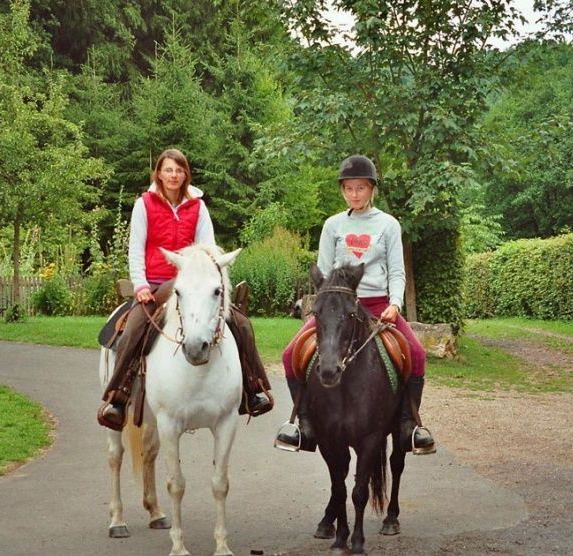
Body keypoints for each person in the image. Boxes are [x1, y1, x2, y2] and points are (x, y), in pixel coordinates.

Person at [98, 148, 273, 430]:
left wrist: (211, 283)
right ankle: (117, 396)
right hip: (156, 284)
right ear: (159, 173)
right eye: (168, 170)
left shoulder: (198, 207)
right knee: (133, 327)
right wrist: (141, 285)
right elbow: (135, 248)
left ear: (185, 174)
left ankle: (254, 388)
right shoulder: (144, 204)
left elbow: (209, 250)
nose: (174, 175)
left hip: (193, 284)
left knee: (240, 323)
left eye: (179, 170)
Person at [275, 154, 435, 455]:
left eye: (360, 188)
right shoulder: (332, 225)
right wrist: (325, 308)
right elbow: (322, 275)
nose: (355, 194)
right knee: (288, 355)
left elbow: (397, 271)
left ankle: (409, 425)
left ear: (371, 189)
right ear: (342, 190)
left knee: (417, 353)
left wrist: (396, 304)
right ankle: (304, 424)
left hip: (377, 306)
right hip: (337, 307)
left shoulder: (388, 225)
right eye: (349, 188)